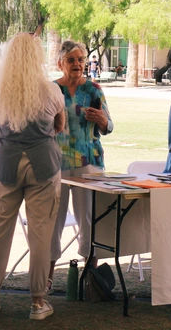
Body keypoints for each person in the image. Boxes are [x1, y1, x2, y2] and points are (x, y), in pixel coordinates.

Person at [0, 32, 65, 320]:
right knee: (40, 231)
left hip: (5, 163)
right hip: (43, 164)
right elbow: (59, 125)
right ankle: (38, 302)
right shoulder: (50, 90)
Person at [48, 40, 114, 291]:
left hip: (90, 164)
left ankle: (91, 280)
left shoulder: (94, 90)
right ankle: (47, 278)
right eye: (71, 60)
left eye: (81, 60)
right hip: (57, 164)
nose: (77, 64)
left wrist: (102, 119)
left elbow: (109, 127)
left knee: (89, 220)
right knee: (53, 219)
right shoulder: (51, 90)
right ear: (60, 63)